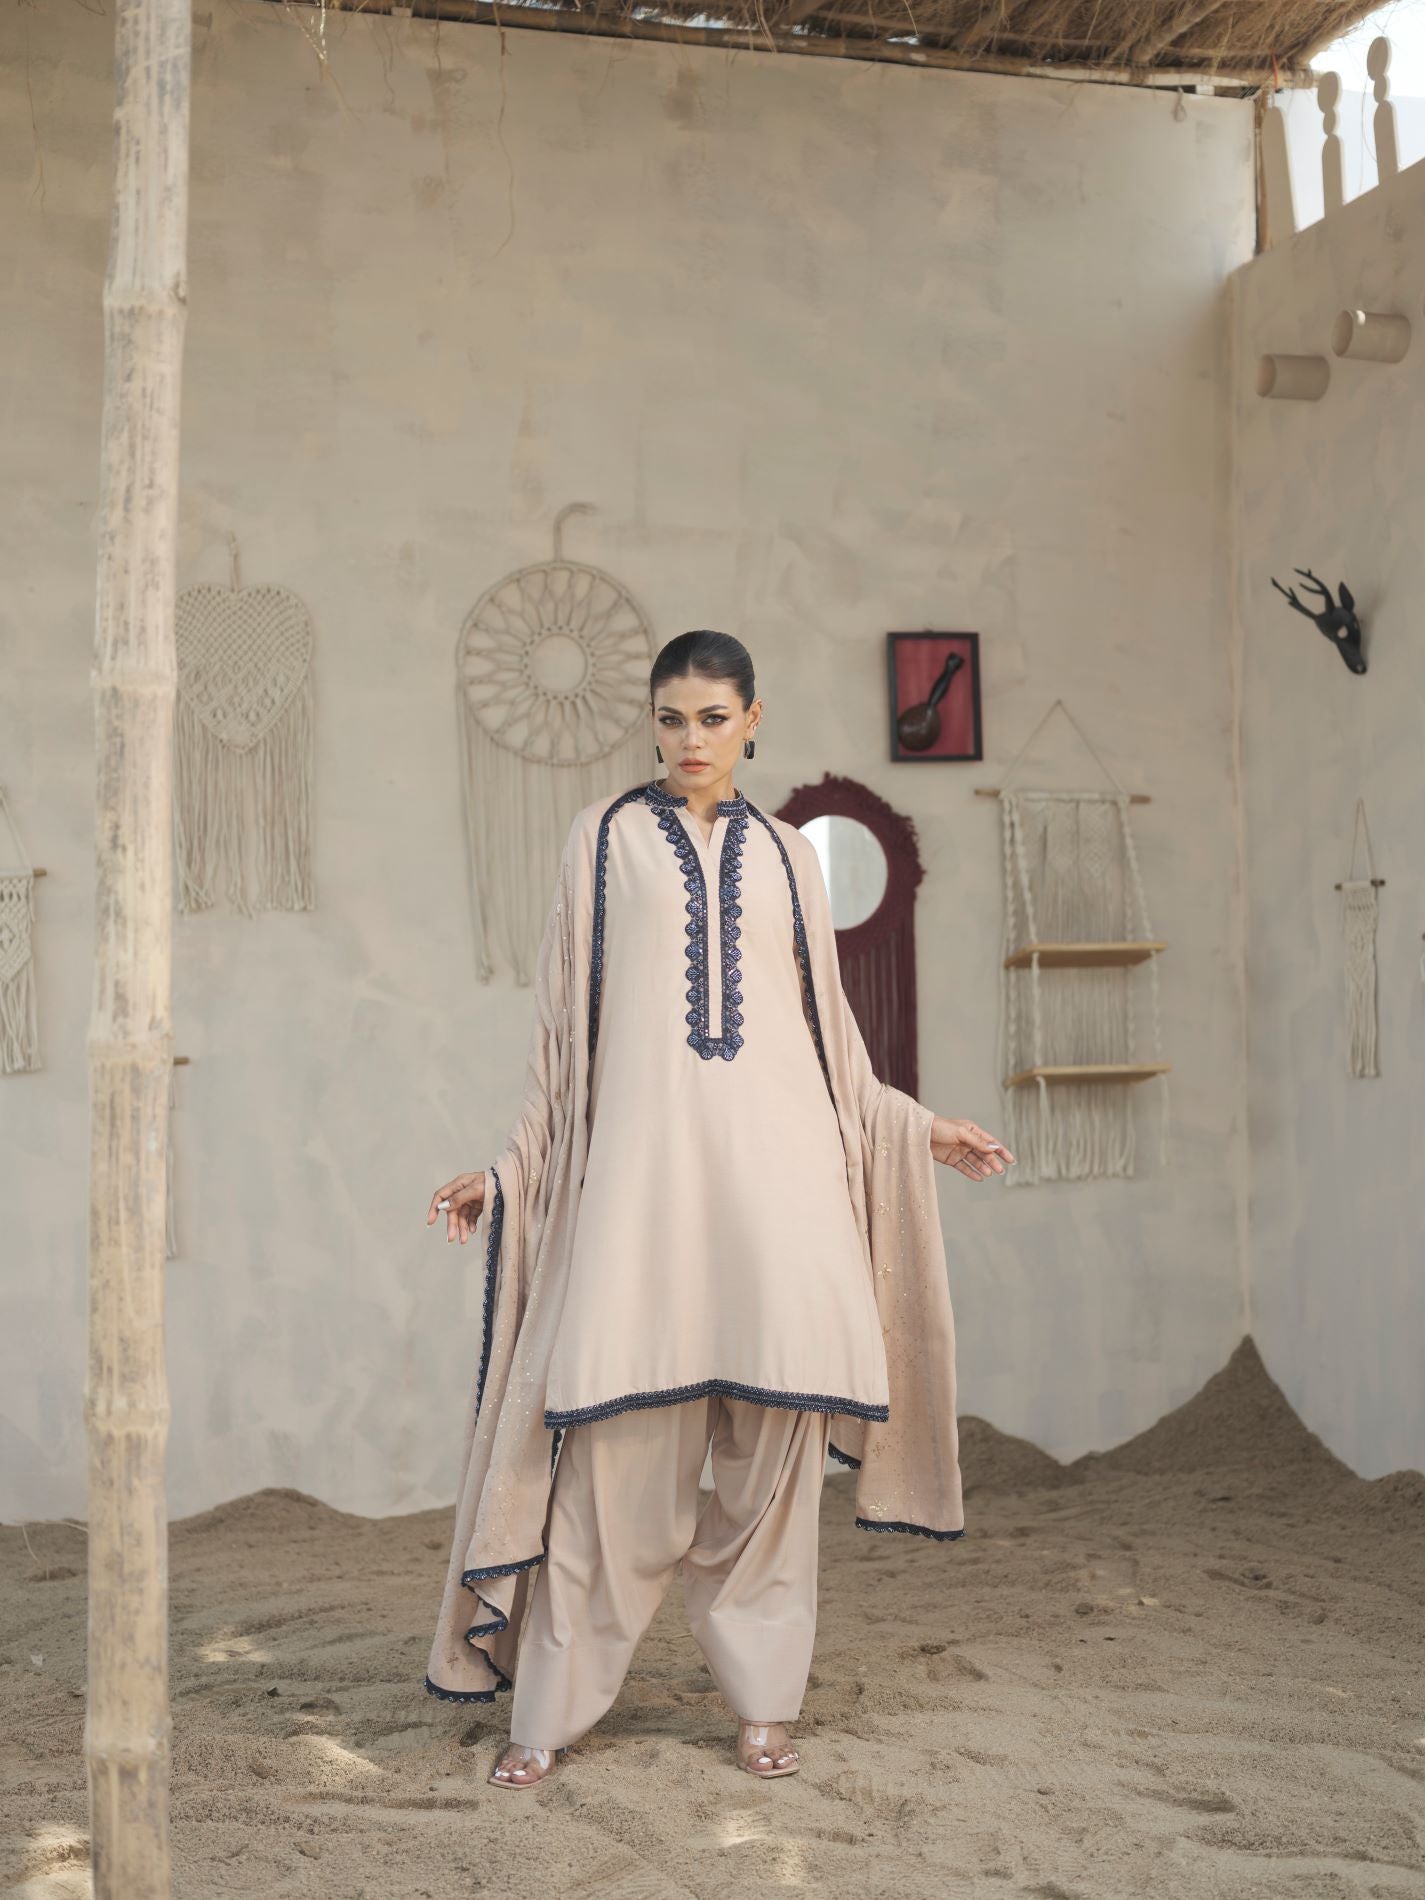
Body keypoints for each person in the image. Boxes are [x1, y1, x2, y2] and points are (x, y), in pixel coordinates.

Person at [424, 630, 1013, 1790]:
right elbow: (564, 1039)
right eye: (670, 718)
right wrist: (514, 1169)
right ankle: (550, 1709)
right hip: (643, 1204)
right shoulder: (601, 840)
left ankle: (763, 1704)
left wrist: (912, 1125)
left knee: (772, 1477)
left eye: (711, 717)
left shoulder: (792, 856)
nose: (689, 739)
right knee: (612, 1481)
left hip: (783, 1200)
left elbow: (829, 1041)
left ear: (752, 718)